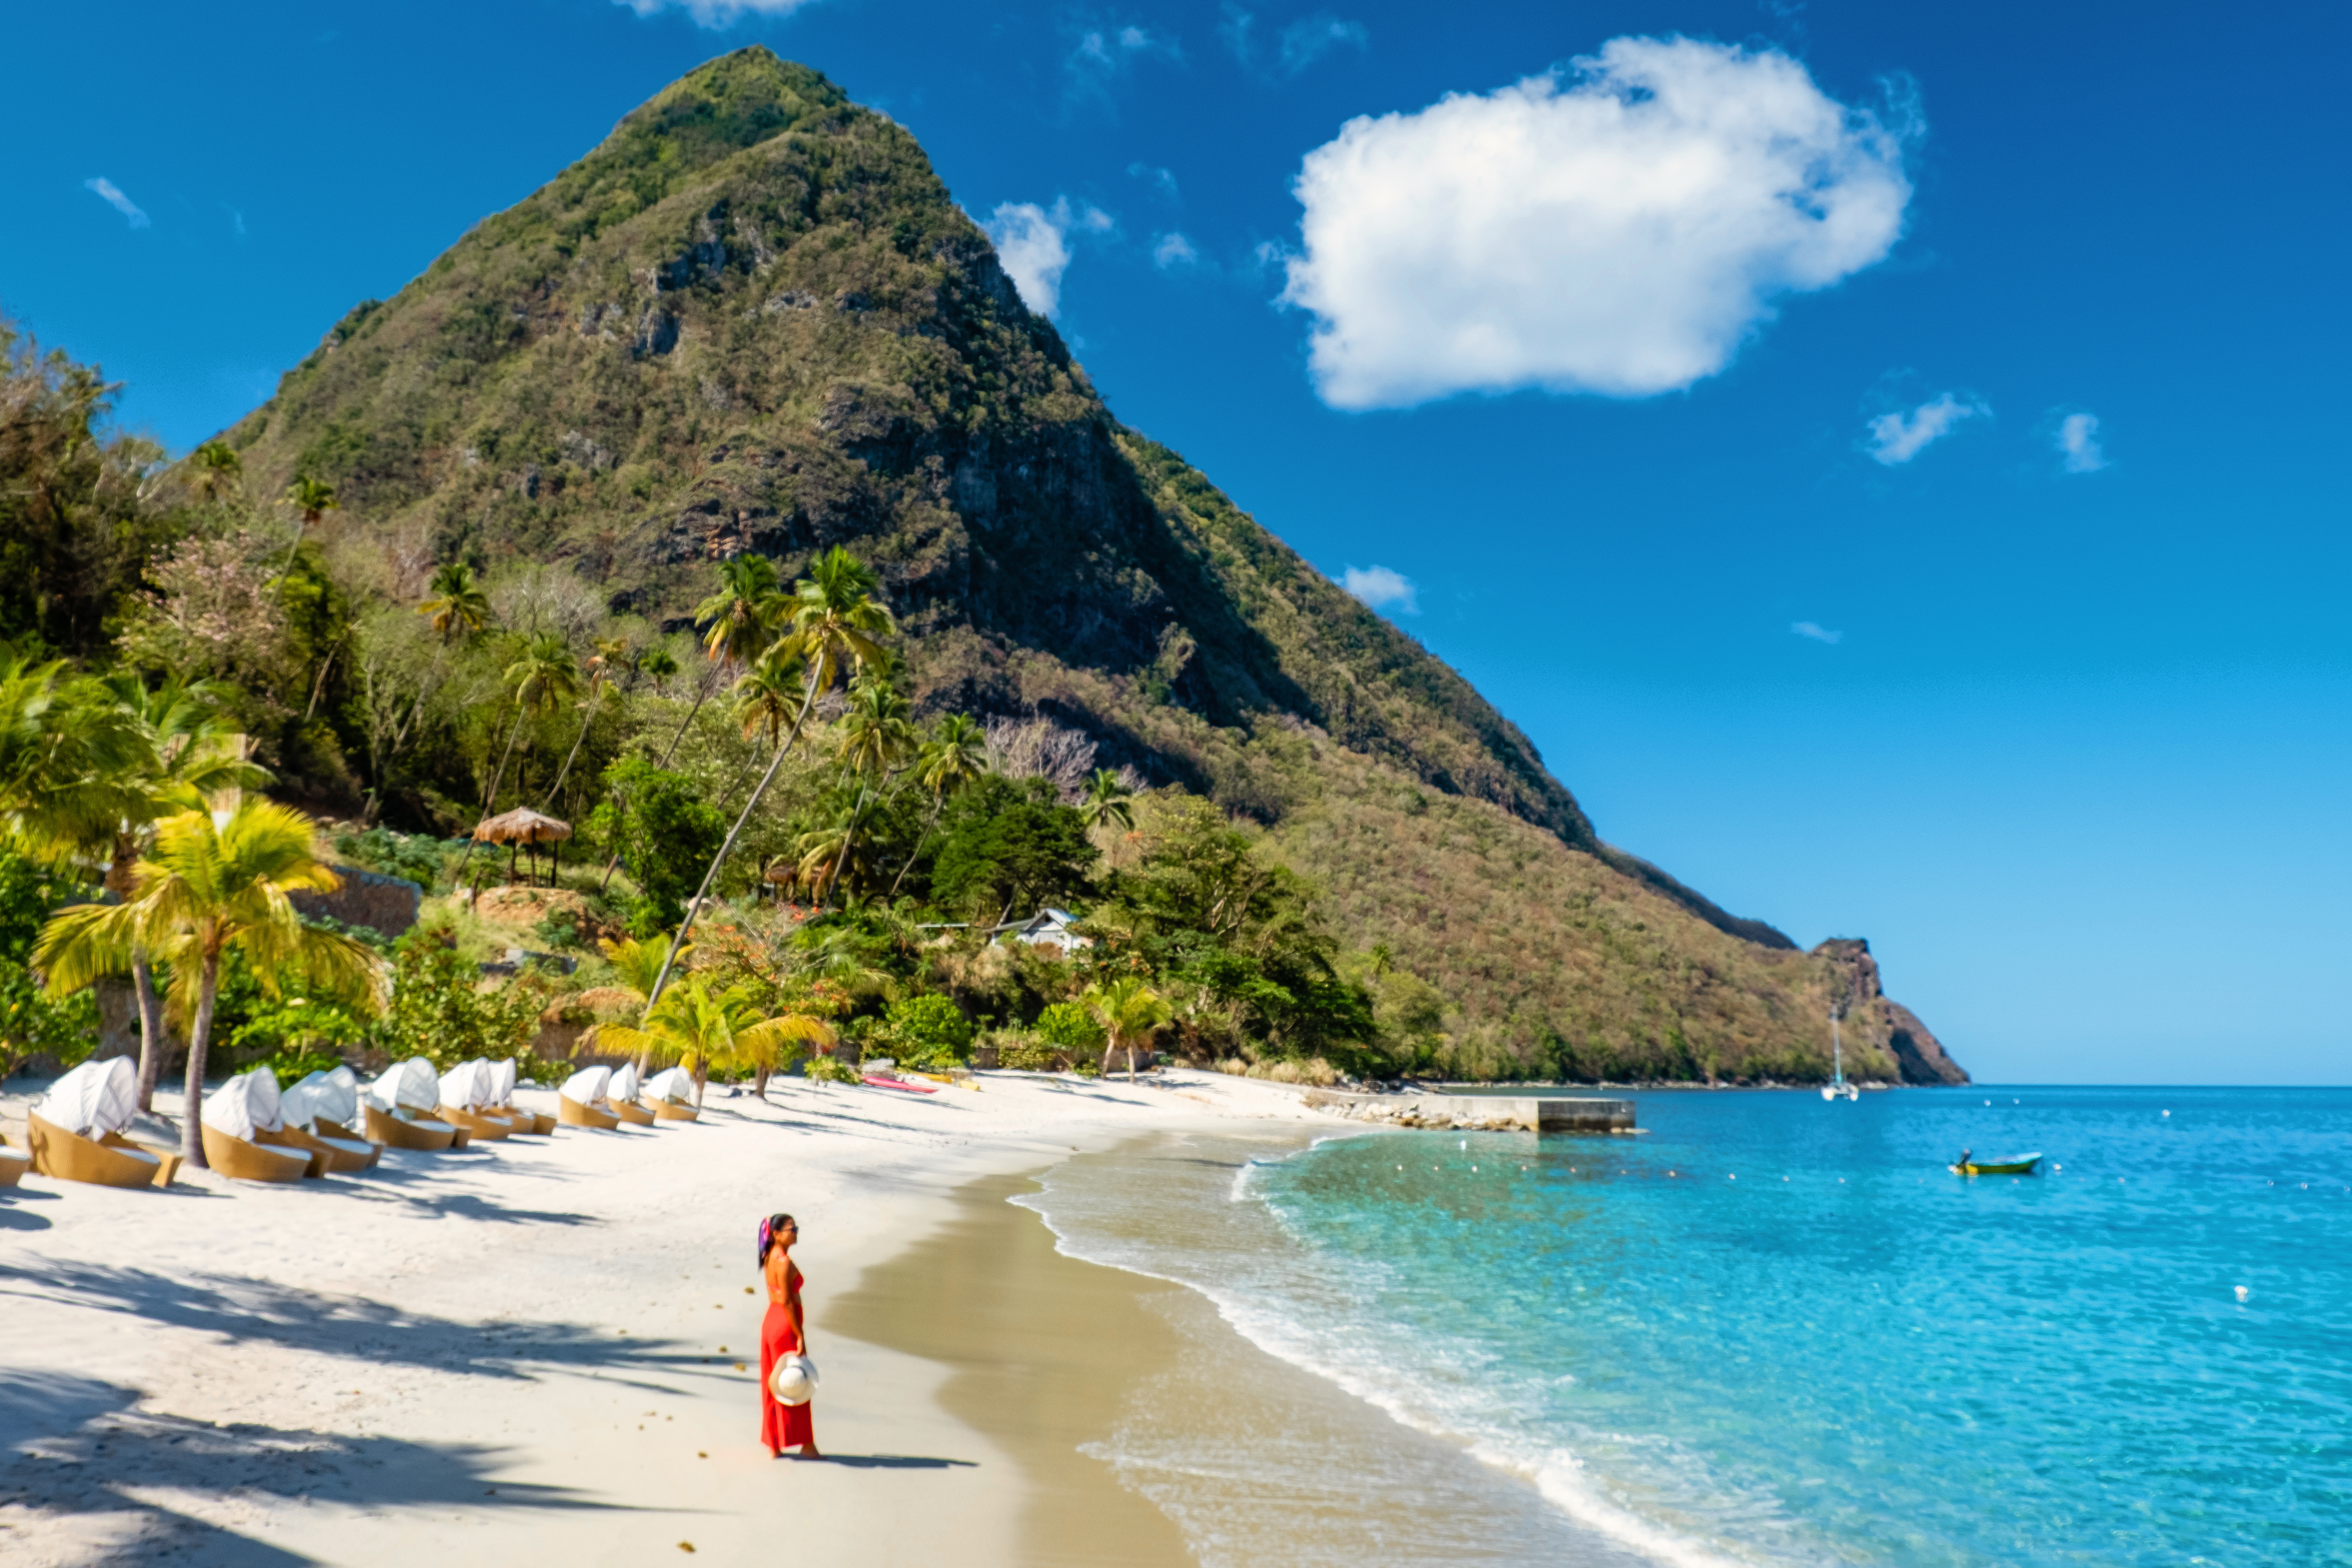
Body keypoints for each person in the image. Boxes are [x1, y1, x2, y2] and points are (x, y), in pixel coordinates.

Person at [758, 1213, 819, 1458]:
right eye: (792, 1229)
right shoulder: (782, 1261)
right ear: (776, 1234)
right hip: (784, 1323)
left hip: (771, 1321)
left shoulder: (770, 1257)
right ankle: (806, 1445)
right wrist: (800, 1334)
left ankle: (774, 1444)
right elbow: (787, 1300)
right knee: (796, 1381)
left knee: (774, 1383)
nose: (796, 1232)